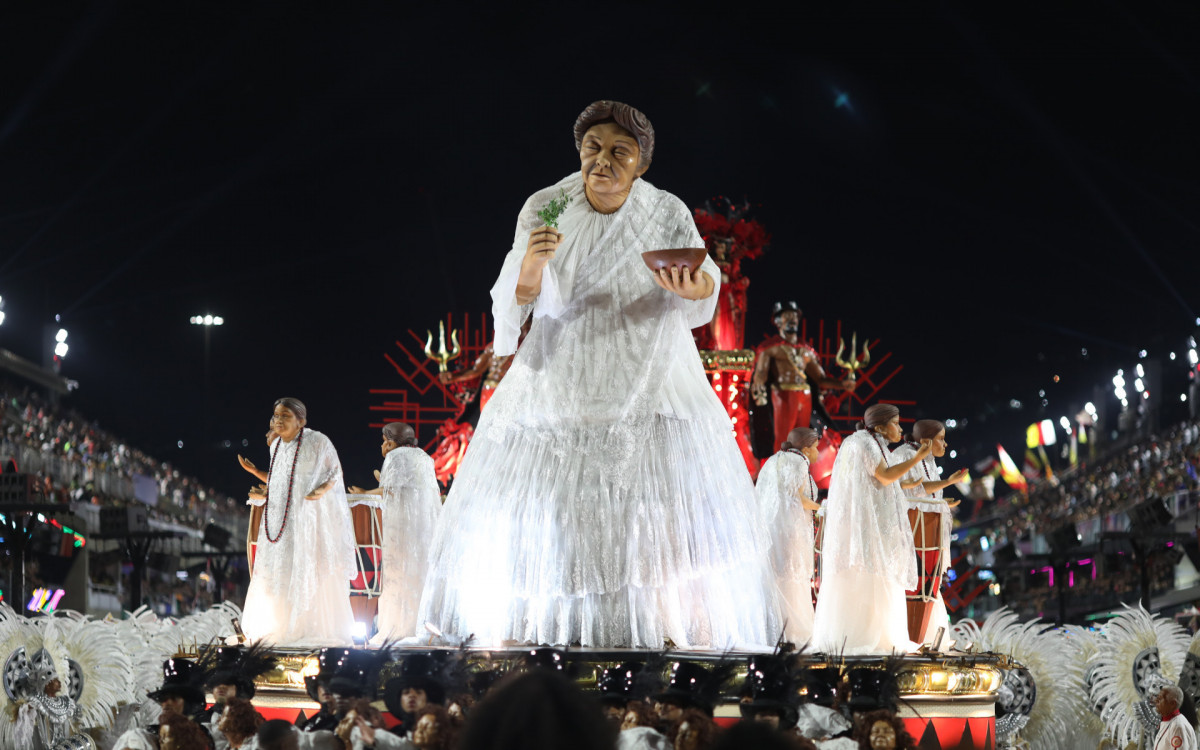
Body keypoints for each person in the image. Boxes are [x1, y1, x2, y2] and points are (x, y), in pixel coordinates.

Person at [416, 99, 779, 649]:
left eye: (619, 152)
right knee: (555, 505)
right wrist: (532, 267)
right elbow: (513, 297)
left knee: (652, 509)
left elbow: (706, 277)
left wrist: (696, 287)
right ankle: (543, 629)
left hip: (653, 366)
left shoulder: (665, 210)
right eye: (593, 148)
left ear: (641, 164)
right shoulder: (546, 205)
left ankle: (659, 628)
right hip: (565, 364)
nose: (602, 161)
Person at [236, 397, 357, 645]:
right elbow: (281, 479)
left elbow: (335, 471)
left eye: (285, 416)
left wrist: (322, 490)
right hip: (280, 521)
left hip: (306, 521)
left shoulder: (318, 442)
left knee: (306, 568)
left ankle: (305, 626)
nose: (277, 421)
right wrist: (256, 474)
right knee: (281, 571)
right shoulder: (276, 446)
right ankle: (280, 625)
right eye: (275, 416)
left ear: (301, 421)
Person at [812, 404, 930, 654]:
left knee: (880, 575)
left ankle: (882, 635)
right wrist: (917, 457)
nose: (900, 428)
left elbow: (881, 483)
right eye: (896, 423)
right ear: (880, 426)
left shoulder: (872, 443)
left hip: (876, 523)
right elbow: (885, 477)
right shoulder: (863, 442)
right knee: (870, 575)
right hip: (867, 526)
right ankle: (867, 637)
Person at [349, 423, 441, 641]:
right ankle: (422, 624)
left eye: (384, 441)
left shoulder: (394, 457)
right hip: (423, 530)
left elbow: (390, 490)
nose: (383, 445)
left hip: (401, 527)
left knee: (399, 573)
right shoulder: (425, 458)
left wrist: (365, 492)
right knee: (419, 574)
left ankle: (398, 626)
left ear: (391, 441)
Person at [890, 420, 967, 647]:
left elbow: (925, 492)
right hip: (910, 530)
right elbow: (912, 490)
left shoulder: (929, 460)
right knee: (913, 585)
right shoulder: (903, 454)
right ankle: (911, 639)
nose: (945, 443)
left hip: (929, 526)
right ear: (925, 441)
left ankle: (922, 639)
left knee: (927, 589)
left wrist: (942, 501)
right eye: (941, 439)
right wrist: (948, 482)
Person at [750, 302, 855, 458]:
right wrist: (758, 390)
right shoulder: (770, 348)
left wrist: (842, 384)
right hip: (783, 395)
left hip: (804, 396)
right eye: (787, 316)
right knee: (784, 439)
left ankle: (800, 472)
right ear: (778, 321)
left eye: (795, 316)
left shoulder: (806, 350)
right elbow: (760, 375)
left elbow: (820, 378)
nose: (792, 320)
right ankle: (780, 473)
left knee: (803, 439)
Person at [756, 427, 822, 644]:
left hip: (772, 530)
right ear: (805, 448)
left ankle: (773, 629)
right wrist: (820, 508)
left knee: (778, 577)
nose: (817, 453)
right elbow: (799, 497)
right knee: (792, 578)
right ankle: (793, 631)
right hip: (790, 530)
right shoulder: (799, 462)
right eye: (815, 448)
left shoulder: (775, 460)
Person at [1154, 685, 1198, 750]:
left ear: (1173, 704)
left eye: (1160, 699)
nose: (1156, 701)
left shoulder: (1178, 726)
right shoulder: (1169, 721)